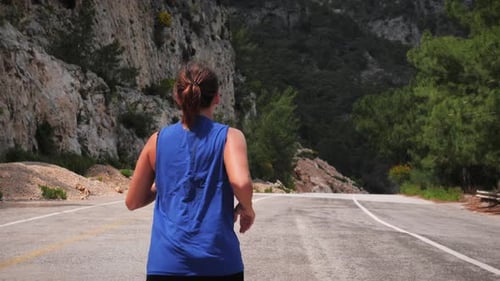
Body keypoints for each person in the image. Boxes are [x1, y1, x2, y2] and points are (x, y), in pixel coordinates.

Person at [125, 60, 255, 281]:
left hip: (166, 264)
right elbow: (241, 183)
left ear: (178, 97)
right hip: (219, 263)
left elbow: (133, 201)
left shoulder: (156, 141)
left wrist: (164, 185)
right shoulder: (229, 138)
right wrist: (247, 208)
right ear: (216, 98)